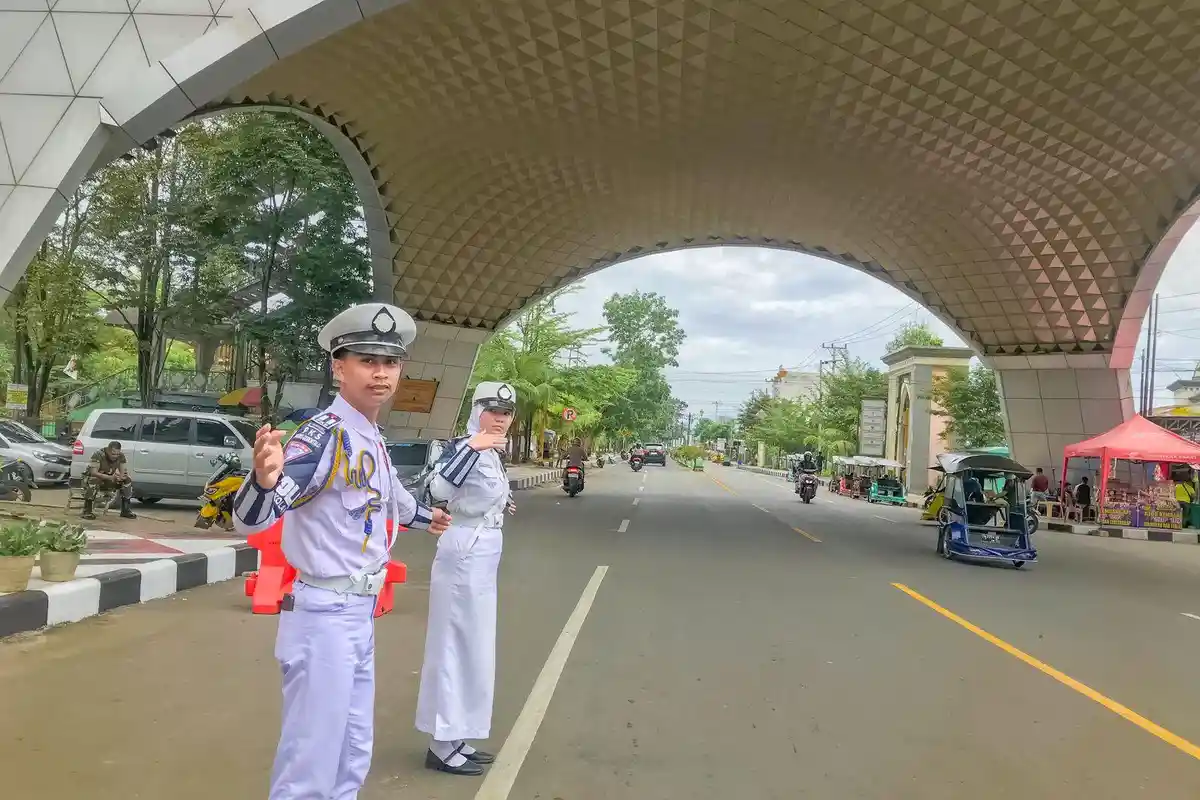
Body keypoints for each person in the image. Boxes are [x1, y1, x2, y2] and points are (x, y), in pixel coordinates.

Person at [232, 303, 451, 800]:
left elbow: (388, 493)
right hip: (324, 614)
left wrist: (426, 517)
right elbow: (254, 517)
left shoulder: (369, 433)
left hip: (358, 612)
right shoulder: (323, 434)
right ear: (339, 367)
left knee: (352, 753)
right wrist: (263, 480)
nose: (380, 373)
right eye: (366, 360)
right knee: (311, 760)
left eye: (390, 362)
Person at [417, 381, 518, 777]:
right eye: (493, 410)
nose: (501, 418)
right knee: (453, 644)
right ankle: (440, 744)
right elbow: (438, 489)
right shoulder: (464, 446)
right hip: (464, 550)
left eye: (507, 413)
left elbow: (484, 493)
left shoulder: (493, 452)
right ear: (477, 409)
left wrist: (502, 503)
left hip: (484, 549)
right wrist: (474, 446)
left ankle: (457, 735)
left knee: (474, 644)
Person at [82, 440, 136, 520]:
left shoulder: (121, 456)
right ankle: (87, 511)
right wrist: (110, 477)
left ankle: (125, 509)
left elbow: (123, 471)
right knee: (94, 479)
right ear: (108, 450)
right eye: (113, 454)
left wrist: (121, 477)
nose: (115, 456)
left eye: (117, 454)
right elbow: (93, 473)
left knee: (127, 480)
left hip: (109, 479)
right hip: (93, 479)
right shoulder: (98, 455)